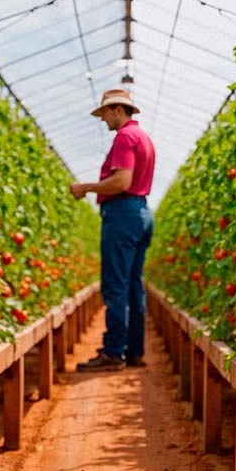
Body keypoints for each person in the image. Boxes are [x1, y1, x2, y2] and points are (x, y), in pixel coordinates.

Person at [70, 89, 156, 372]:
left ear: (118, 110)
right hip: (141, 212)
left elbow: (121, 181)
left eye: (105, 113)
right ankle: (133, 352)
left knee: (116, 284)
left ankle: (113, 352)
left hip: (122, 214)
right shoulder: (143, 138)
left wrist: (86, 187)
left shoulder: (124, 137)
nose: (103, 118)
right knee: (133, 284)